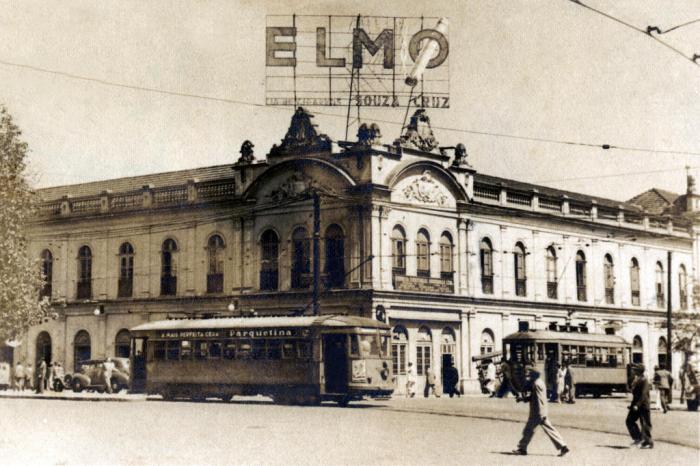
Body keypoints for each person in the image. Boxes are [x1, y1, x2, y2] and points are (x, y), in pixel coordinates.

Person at [512, 364, 569, 456]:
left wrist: (541, 413)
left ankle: (522, 449)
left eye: (529, 375)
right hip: (540, 411)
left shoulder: (536, 384)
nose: (527, 377)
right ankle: (563, 446)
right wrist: (523, 399)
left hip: (537, 412)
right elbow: (534, 397)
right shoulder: (539, 382)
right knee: (548, 429)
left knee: (528, 431)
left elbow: (539, 399)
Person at [626, 364, 653, 449]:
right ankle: (637, 438)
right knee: (629, 421)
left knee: (645, 423)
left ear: (639, 371)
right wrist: (632, 405)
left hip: (643, 405)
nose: (633, 371)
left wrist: (637, 405)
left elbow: (643, 394)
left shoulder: (644, 380)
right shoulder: (636, 379)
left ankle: (648, 443)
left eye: (635, 370)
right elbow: (635, 394)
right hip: (636, 405)